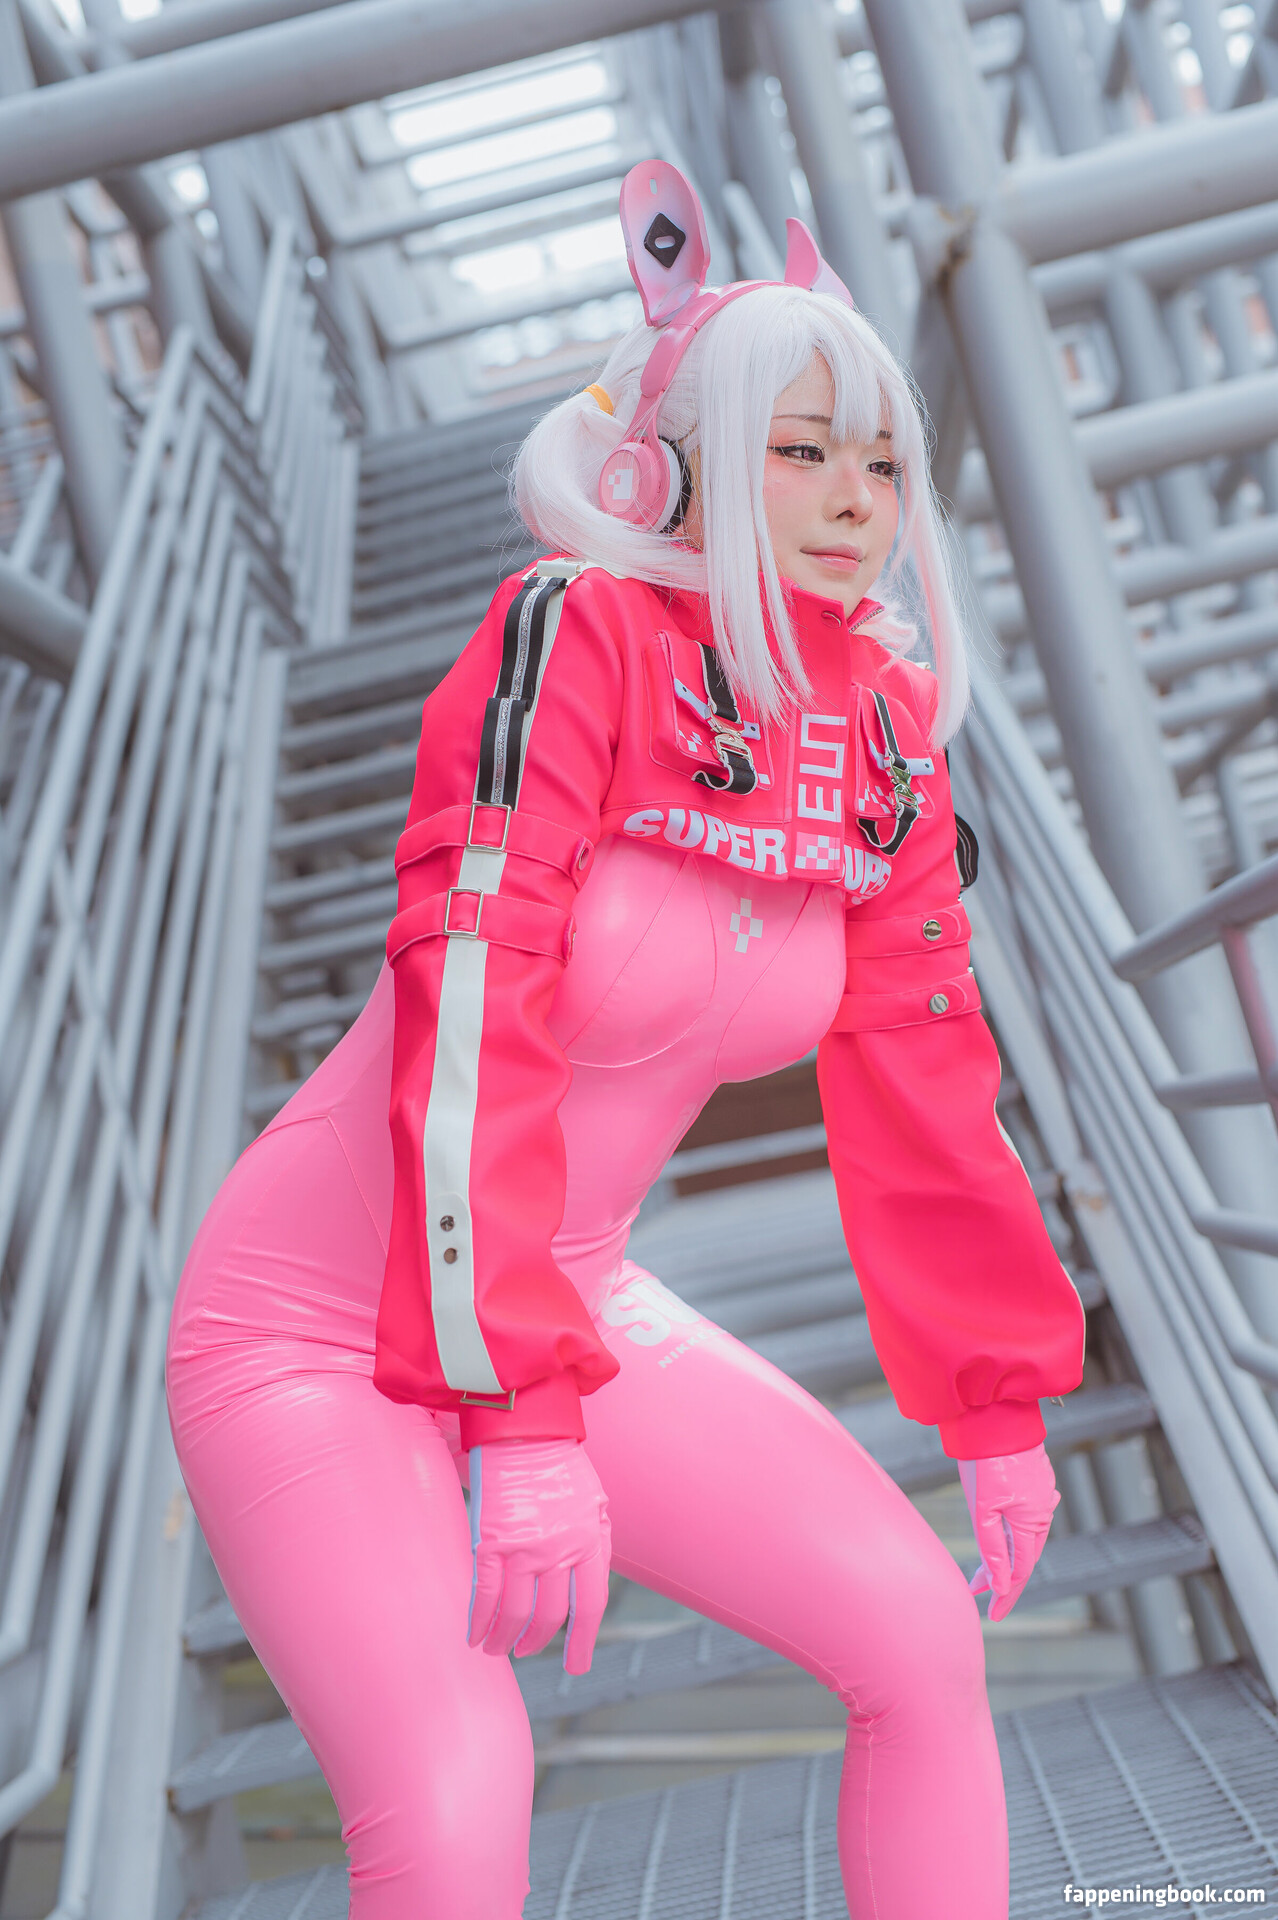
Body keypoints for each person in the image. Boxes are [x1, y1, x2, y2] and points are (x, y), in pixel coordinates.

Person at [165, 160, 1086, 1919]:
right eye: (799, 451)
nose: (854, 500)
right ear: (667, 470)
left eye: (880, 461)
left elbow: (925, 1074)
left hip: (570, 1290)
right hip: (311, 1330)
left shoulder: (884, 730)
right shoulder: (570, 634)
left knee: (916, 1634)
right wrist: (517, 1422)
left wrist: (995, 1404)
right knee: (456, 1796)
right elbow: (476, 1018)